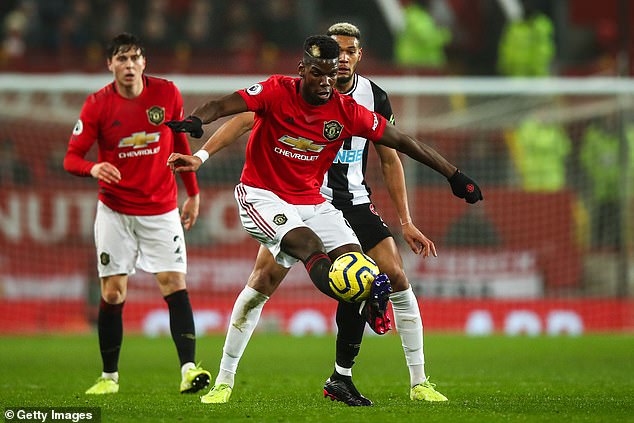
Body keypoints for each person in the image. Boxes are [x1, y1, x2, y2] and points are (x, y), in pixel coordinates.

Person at [166, 34, 482, 405]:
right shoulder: (275, 91)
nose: (325, 82)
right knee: (308, 247)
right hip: (261, 197)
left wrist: (454, 175)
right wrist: (196, 121)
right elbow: (223, 105)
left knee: (355, 264)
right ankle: (224, 381)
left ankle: (364, 327)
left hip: (314, 202)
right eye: (317, 73)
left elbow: (402, 142)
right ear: (301, 69)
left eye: (331, 75)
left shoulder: (347, 110)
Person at [63, 32, 211, 395]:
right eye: (122, 59)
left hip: (161, 208)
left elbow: (179, 142)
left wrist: (192, 193)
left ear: (144, 62)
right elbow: (71, 158)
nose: (129, 65)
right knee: (113, 293)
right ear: (110, 65)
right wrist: (93, 168)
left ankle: (189, 370)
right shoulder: (97, 104)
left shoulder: (167, 93)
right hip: (115, 210)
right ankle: (109, 377)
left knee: (174, 283)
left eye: (134, 58)